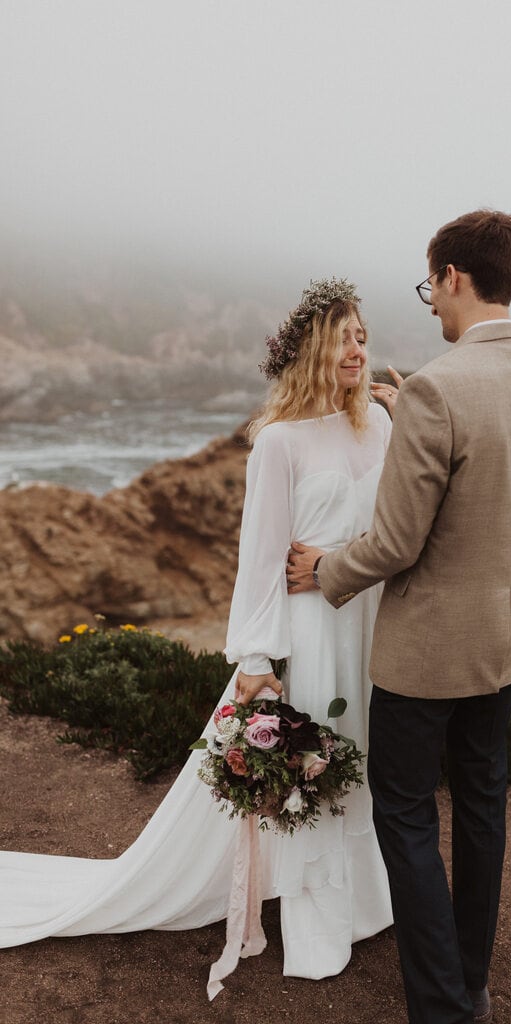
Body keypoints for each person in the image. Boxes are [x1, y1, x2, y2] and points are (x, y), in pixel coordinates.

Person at [0, 278, 395, 997]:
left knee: (364, 757)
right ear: (311, 348)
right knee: (318, 764)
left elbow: (396, 532)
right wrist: (253, 654)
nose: (357, 348)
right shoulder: (277, 442)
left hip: (370, 621)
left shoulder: (379, 425)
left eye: (363, 335)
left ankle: (367, 901)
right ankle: (317, 922)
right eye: (343, 335)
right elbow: (260, 556)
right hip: (311, 631)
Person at [287, 212, 511, 1024]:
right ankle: (472, 982)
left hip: (421, 658)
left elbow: (395, 542)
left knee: (407, 813)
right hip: (502, 643)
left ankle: (441, 1007)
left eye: (429, 286)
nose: (428, 305)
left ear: (452, 276)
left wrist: (327, 570)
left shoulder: (440, 391)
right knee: (483, 807)